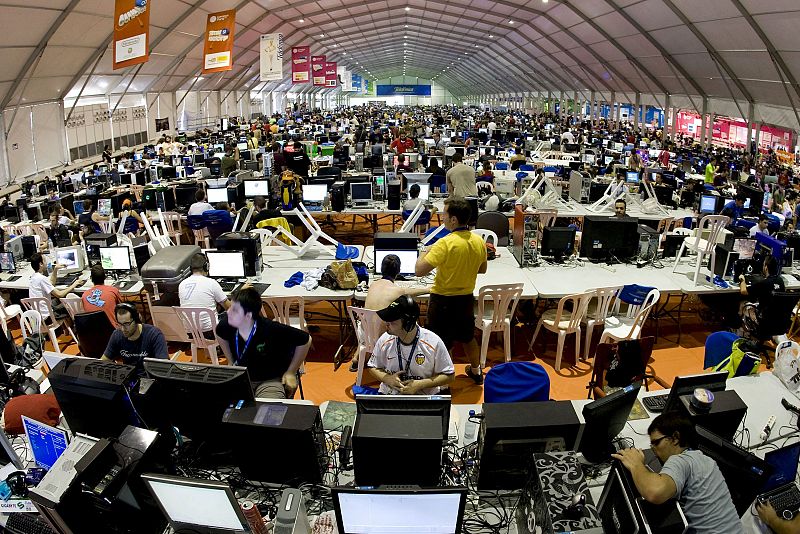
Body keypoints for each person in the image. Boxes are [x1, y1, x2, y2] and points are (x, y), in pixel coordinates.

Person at [611, 412, 742, 534]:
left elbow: (654, 492)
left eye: (656, 443)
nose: (653, 449)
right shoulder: (707, 461)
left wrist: (636, 464)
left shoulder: (680, 461)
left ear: (675, 438)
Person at [416, 198, 488, 384]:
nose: (442, 219)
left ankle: (444, 383)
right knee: (468, 337)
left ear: (454, 219)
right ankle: (476, 371)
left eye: (445, 215)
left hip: (443, 301)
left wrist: (425, 250)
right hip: (465, 299)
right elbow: (482, 269)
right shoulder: (479, 241)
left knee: (441, 342)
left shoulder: (444, 243)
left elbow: (419, 270)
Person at [216, 288, 311, 399]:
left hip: (270, 380)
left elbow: (306, 340)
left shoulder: (270, 328)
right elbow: (219, 333)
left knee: (268, 411)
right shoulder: (226, 325)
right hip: (242, 378)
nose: (227, 312)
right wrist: (231, 361)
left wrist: (290, 372)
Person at [368, 296, 455, 395]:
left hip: (423, 398)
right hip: (391, 395)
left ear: (408, 324)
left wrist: (421, 384)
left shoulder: (433, 342)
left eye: (392, 321)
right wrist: (387, 378)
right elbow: (373, 367)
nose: (386, 324)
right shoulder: (384, 340)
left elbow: (449, 376)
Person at [102, 303, 168, 374]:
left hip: (151, 377)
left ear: (137, 319)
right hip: (129, 378)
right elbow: (103, 362)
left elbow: (164, 367)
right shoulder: (117, 335)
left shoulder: (154, 334)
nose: (123, 329)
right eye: (120, 324)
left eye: (127, 324)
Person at [178, 253, 231, 332]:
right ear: (207, 266)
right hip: (211, 332)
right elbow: (229, 308)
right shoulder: (211, 283)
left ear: (190, 268)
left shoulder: (181, 284)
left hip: (191, 333)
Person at [739, 254, 785, 340]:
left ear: (766, 267)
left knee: (742, 303)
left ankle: (741, 333)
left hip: (763, 320)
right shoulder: (780, 281)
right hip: (778, 321)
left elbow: (743, 291)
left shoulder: (764, 284)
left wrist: (742, 279)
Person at [28, 252, 85, 321]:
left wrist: (55, 270)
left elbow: (50, 284)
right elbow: (60, 294)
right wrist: (74, 284)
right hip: (48, 317)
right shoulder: (42, 279)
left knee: (56, 300)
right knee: (70, 303)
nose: (47, 263)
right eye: (45, 261)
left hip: (37, 317)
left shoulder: (33, 277)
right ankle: (76, 325)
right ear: (41, 264)